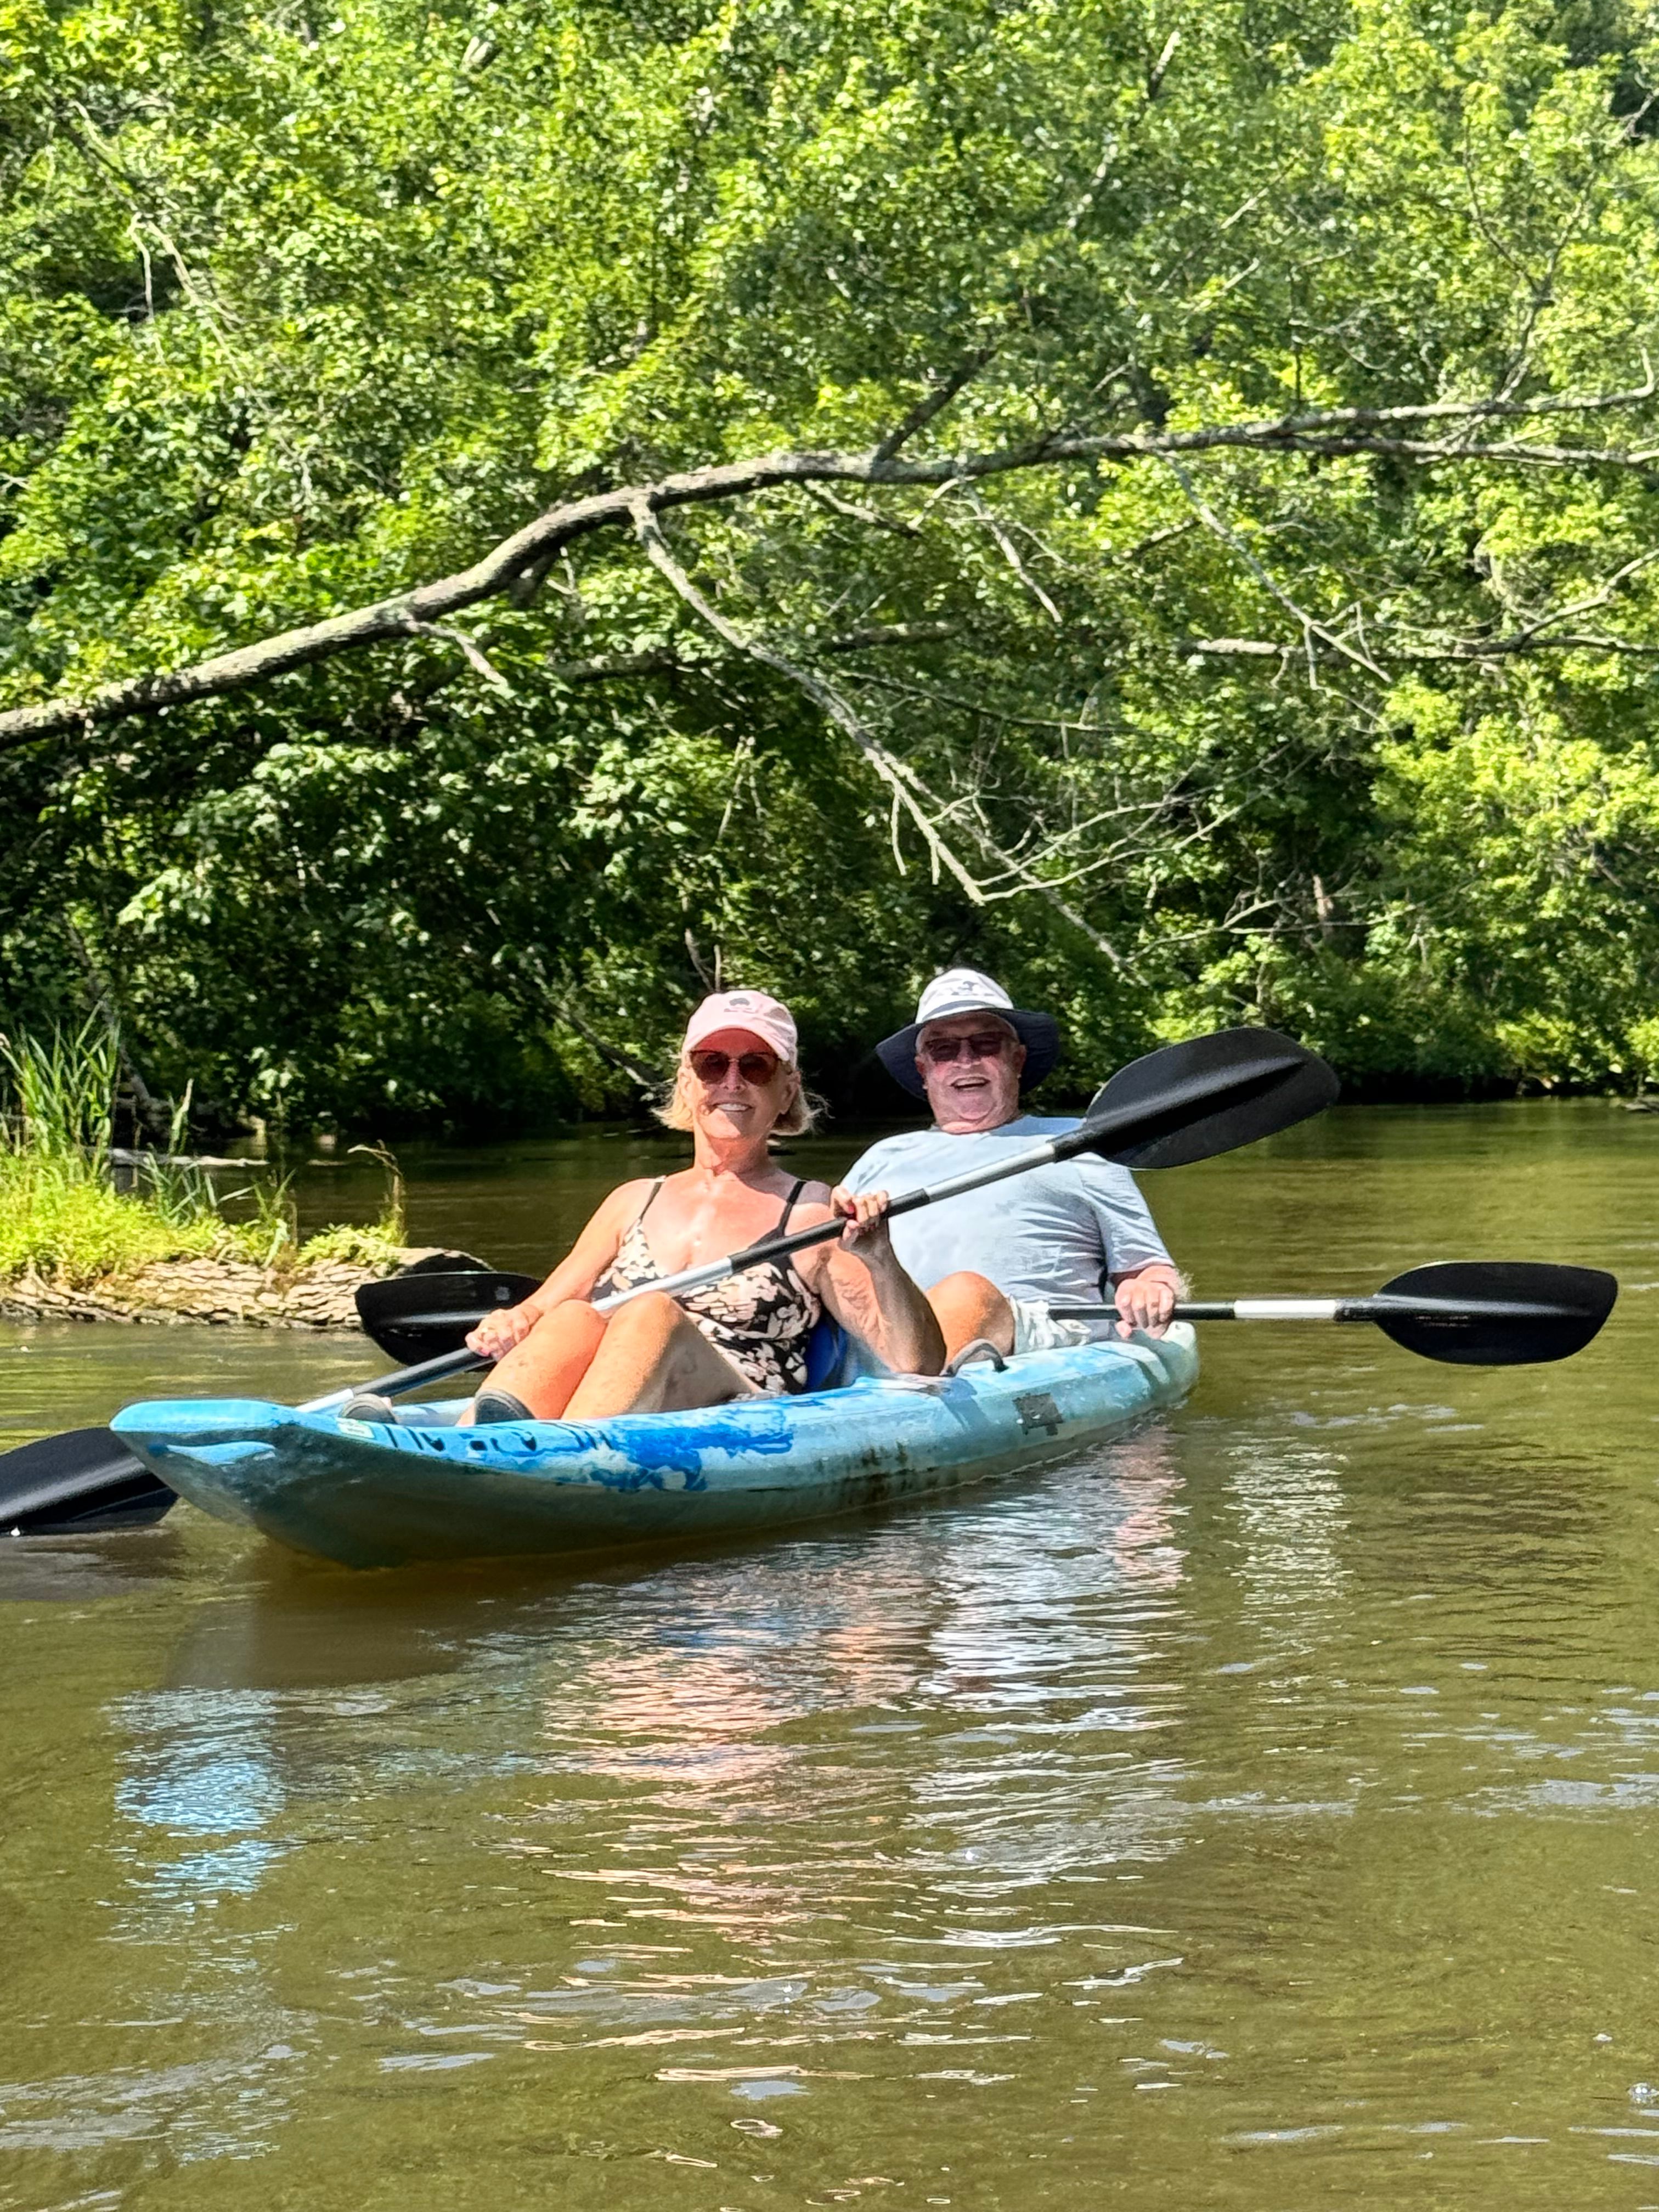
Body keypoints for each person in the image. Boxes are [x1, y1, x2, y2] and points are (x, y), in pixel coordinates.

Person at [413, 990, 943, 1424]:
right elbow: (543, 1307)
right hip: (621, 1398)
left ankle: (560, 1462)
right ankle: (475, 1443)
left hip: (739, 1410)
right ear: (688, 1083)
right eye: (712, 1064)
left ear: (788, 1090)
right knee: (575, 1316)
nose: (731, 1082)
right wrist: (510, 1322)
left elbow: (916, 1363)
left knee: (651, 1311)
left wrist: (880, 1258)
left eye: (755, 1066)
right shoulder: (632, 1200)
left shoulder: (814, 1214)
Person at [839, 968, 1183, 1363]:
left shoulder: (1083, 1143)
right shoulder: (882, 1157)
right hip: (891, 1337)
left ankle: (911, 1392)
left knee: (966, 1295)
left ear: (1017, 1059)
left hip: (1034, 1336)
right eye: (944, 1050)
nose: (965, 1060)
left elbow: (1146, 1269)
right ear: (924, 1071)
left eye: (986, 1044)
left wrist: (1147, 1288)